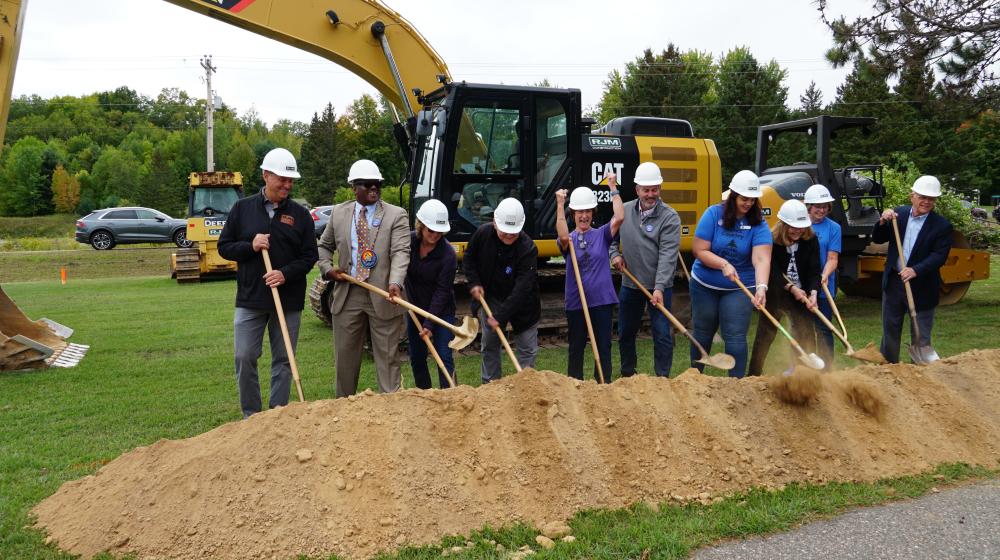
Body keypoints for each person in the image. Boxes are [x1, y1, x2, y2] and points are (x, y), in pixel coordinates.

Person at [218, 147, 318, 418]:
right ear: (265, 175)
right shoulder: (242, 209)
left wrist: (284, 273)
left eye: (290, 181)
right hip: (251, 298)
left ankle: (278, 416)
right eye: (282, 179)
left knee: (284, 360)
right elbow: (224, 247)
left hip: (287, 301)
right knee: (244, 356)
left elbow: (310, 256)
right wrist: (250, 245)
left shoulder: (300, 215)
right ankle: (252, 417)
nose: (287, 185)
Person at [317, 159, 410, 396]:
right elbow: (324, 246)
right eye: (367, 185)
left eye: (377, 184)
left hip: (384, 294)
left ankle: (392, 408)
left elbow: (400, 251)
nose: (374, 189)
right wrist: (328, 269)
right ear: (353, 187)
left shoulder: (396, 215)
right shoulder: (339, 213)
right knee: (345, 360)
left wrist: (395, 282)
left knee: (388, 358)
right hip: (348, 294)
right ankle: (344, 409)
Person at [689, 170, 772, 378]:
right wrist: (722, 263)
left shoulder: (758, 223)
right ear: (733, 195)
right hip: (704, 284)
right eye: (744, 199)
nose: (748, 203)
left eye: (753, 200)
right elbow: (699, 250)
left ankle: (736, 385)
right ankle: (693, 380)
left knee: (734, 335)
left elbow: (761, 258)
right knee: (703, 333)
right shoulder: (713, 214)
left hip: (738, 287)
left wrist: (762, 286)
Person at [609, 162, 682, 378]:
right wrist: (615, 255)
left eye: (655, 189)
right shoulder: (625, 211)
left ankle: (662, 379)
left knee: (662, 335)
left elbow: (668, 257)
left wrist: (659, 287)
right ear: (637, 189)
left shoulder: (670, 217)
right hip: (631, 285)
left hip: (659, 287)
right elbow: (610, 239)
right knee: (625, 333)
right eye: (646, 189)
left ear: (660, 188)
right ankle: (628, 375)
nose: (651, 194)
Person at [871, 175, 953, 363]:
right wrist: (883, 221)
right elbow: (878, 238)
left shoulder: (942, 226)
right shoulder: (898, 215)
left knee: (921, 333)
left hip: (923, 285)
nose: (926, 202)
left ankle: (920, 373)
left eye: (931, 199)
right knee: (890, 330)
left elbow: (939, 256)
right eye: (922, 197)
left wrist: (915, 270)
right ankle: (889, 367)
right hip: (894, 283)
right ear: (912, 196)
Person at [463, 197, 541, 382]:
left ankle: (526, 389)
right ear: (495, 223)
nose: (508, 237)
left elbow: (522, 289)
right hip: (492, 297)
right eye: (504, 232)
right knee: (490, 344)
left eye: (512, 234)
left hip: (523, 304)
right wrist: (474, 283)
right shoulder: (483, 234)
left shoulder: (527, 248)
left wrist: (501, 316)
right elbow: (469, 259)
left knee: (527, 349)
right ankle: (491, 387)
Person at [555, 177, 624, 383]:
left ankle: (604, 385)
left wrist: (613, 188)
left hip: (601, 301)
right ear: (573, 214)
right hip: (577, 302)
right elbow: (563, 236)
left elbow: (619, 217)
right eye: (579, 212)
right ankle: (575, 386)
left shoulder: (602, 234)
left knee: (603, 345)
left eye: (587, 211)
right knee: (576, 347)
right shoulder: (568, 239)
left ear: (592, 213)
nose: (584, 216)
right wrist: (560, 204)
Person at [748, 200, 821, 376]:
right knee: (765, 335)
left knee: (805, 332)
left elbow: (814, 270)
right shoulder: (771, 241)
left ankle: (803, 374)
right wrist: (790, 287)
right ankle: (753, 375)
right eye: (793, 227)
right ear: (783, 225)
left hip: (801, 294)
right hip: (775, 293)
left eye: (801, 227)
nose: (797, 231)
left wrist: (813, 293)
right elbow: (772, 272)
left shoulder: (810, 240)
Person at [404, 199, 458, 389]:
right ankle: (425, 395)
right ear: (421, 226)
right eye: (430, 230)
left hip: (442, 311)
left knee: (443, 354)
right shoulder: (408, 242)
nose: (435, 235)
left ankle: (450, 394)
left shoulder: (448, 255)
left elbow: (442, 292)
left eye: (439, 231)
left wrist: (429, 323)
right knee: (417, 356)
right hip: (414, 308)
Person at [803, 184, 842, 370]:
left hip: (825, 284)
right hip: (802, 285)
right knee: (803, 328)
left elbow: (833, 258)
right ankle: (803, 367)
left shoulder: (834, 228)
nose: (822, 210)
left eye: (825, 206)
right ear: (808, 206)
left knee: (824, 329)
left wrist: (824, 275)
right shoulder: (800, 224)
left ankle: (827, 369)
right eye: (818, 206)